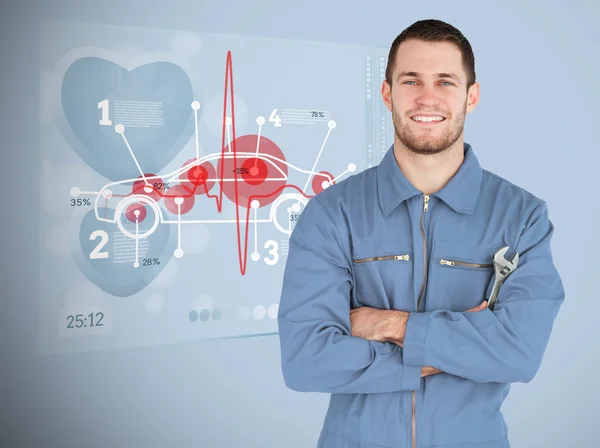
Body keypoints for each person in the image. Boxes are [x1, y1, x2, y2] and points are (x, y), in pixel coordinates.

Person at [277, 18, 564, 448]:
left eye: (445, 82)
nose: (427, 97)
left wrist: (390, 324)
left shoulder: (522, 217)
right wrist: (455, 349)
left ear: (472, 96)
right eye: (411, 80)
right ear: (387, 93)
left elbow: (519, 354)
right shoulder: (331, 213)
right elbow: (305, 361)